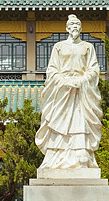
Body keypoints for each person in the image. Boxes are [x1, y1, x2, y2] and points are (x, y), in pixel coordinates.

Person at [35, 14, 102, 170]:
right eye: (72, 25)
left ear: (81, 28)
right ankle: (56, 158)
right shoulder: (59, 47)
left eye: (77, 25)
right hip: (62, 91)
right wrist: (63, 81)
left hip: (81, 92)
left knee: (80, 121)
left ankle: (81, 157)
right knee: (59, 121)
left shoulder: (88, 47)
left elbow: (94, 68)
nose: (75, 28)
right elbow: (52, 69)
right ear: (67, 28)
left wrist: (83, 80)